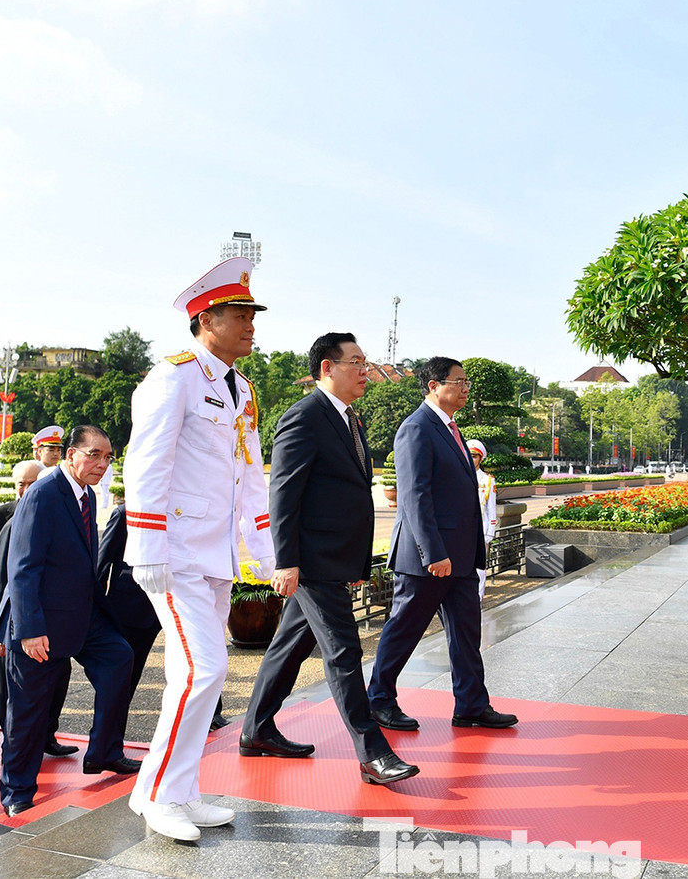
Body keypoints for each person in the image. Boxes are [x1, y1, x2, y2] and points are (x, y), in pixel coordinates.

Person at [123, 256, 276, 842]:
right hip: (176, 552)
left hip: (215, 555)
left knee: (200, 677)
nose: (251, 326)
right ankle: (160, 795)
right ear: (206, 320)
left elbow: (250, 476)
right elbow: (146, 464)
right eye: (240, 315)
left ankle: (177, 791)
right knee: (202, 671)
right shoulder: (174, 377)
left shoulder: (242, 388)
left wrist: (262, 550)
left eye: (252, 316)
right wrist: (146, 545)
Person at [242, 332, 419, 788]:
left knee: (290, 646)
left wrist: (356, 563)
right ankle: (372, 752)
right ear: (327, 367)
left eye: (365, 361)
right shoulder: (304, 417)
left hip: (333, 559)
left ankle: (256, 729)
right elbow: (284, 494)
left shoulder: (348, 418)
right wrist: (286, 561)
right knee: (343, 649)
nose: (365, 370)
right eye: (355, 361)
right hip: (311, 562)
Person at [367, 357, 518, 733]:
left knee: (466, 633)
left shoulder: (451, 428)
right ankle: (378, 701)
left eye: (467, 382)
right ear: (433, 386)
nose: (465, 388)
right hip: (427, 558)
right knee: (404, 630)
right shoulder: (416, 428)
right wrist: (433, 553)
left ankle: (471, 705)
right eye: (458, 381)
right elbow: (414, 496)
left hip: (461, 557)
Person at [0, 425, 136, 816]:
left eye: (107, 457)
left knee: (119, 657)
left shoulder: (85, 493)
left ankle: (104, 751)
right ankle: (16, 790)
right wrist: (29, 630)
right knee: (28, 711)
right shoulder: (42, 494)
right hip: (40, 621)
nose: (102, 464)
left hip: (80, 614)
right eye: (94, 454)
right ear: (71, 454)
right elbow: (22, 566)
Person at [0, 460, 75, 757]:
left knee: (56, 681)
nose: (25, 490)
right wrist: (1, 629)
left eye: (32, 484)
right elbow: (0, 578)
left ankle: (46, 737)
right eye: (20, 484)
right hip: (14, 623)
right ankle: (12, 747)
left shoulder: (59, 512)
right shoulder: (10, 520)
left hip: (51, 621)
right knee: (15, 694)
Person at [94, 504, 160, 733]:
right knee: (123, 680)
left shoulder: (178, 508)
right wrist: (97, 613)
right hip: (131, 609)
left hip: (172, 603)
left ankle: (213, 714)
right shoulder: (124, 513)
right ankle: (108, 740)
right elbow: (102, 564)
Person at [466, 439, 497, 600]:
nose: (471, 459)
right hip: (461, 530)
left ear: (481, 458)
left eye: (474, 456)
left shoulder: (487, 480)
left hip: (481, 529)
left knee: (479, 566)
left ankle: (477, 598)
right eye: (468, 455)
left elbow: (491, 509)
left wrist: (489, 533)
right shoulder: (458, 477)